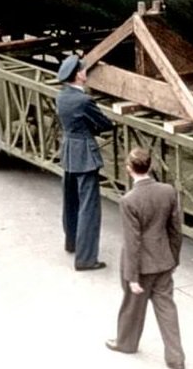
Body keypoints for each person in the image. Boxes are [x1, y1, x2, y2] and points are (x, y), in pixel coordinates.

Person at [105, 147, 185, 369]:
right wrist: (174, 258)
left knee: (132, 307)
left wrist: (132, 276)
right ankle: (176, 358)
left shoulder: (129, 200)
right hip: (163, 260)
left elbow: (133, 241)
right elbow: (175, 229)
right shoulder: (168, 191)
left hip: (141, 267)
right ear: (151, 166)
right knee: (167, 309)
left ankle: (126, 342)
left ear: (129, 169)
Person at [56, 54, 114, 271]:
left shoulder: (61, 97)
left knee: (70, 201)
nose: (85, 72)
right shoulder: (84, 101)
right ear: (78, 75)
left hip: (69, 151)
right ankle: (86, 259)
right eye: (82, 70)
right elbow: (104, 124)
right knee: (89, 207)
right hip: (85, 155)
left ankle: (71, 242)